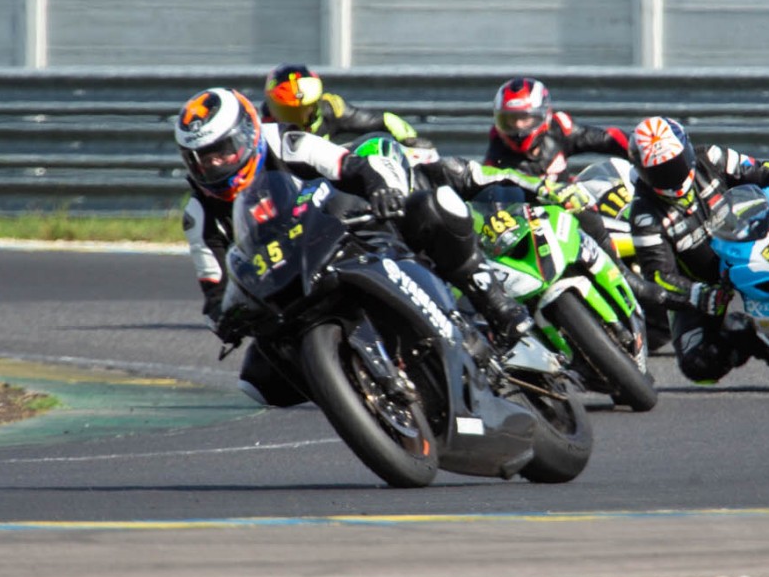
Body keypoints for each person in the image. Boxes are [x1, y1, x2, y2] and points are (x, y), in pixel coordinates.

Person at [175, 88, 533, 407]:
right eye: (202, 158)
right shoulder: (199, 214)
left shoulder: (285, 142)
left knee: (429, 208)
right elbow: (215, 290)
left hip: (345, 232)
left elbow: (350, 165)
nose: (214, 164)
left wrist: (380, 189)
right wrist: (226, 319)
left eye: (222, 151)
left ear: (247, 134)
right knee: (259, 379)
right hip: (290, 282)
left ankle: (496, 304)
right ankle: (356, 391)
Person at [626, 116, 769, 384]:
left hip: (752, 240)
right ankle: (759, 343)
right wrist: (695, 294)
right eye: (660, 172)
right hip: (707, 282)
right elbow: (659, 276)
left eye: (675, 165)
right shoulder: (644, 215)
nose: (672, 178)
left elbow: (760, 170)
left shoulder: (710, 157)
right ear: (643, 172)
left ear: (687, 151)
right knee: (698, 364)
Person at [483, 77, 629, 180]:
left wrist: (637, 148)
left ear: (543, 116)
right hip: (524, 212)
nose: (518, 126)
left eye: (525, 118)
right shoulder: (498, 145)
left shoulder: (559, 128)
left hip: (568, 207)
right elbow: (487, 189)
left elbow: (608, 138)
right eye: (511, 120)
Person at [260, 63, 428, 147]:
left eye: (305, 109)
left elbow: (385, 120)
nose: (298, 117)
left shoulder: (332, 109)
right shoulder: (261, 128)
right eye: (287, 110)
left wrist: (408, 140)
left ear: (316, 102)